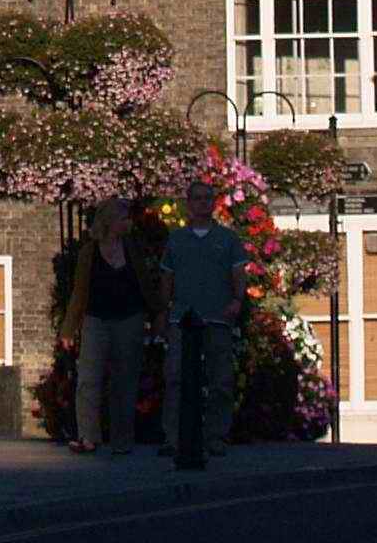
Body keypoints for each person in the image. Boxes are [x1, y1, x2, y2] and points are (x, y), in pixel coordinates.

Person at [57, 197, 157, 455]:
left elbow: (145, 283)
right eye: (124, 218)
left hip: (129, 319)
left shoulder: (132, 248)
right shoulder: (89, 252)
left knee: (125, 381)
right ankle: (88, 436)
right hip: (96, 319)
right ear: (111, 221)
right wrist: (69, 328)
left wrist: (157, 314)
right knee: (89, 378)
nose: (129, 222)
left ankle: (122, 440)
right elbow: (80, 291)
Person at [161, 176, 247, 456]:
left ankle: (216, 437)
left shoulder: (228, 239)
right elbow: (167, 277)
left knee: (220, 381)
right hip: (182, 319)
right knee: (176, 379)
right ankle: (174, 438)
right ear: (189, 203)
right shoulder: (176, 239)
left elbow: (238, 273)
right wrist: (163, 311)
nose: (202, 203)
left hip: (218, 317)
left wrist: (237, 300)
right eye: (197, 198)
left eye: (207, 198)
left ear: (214, 203)